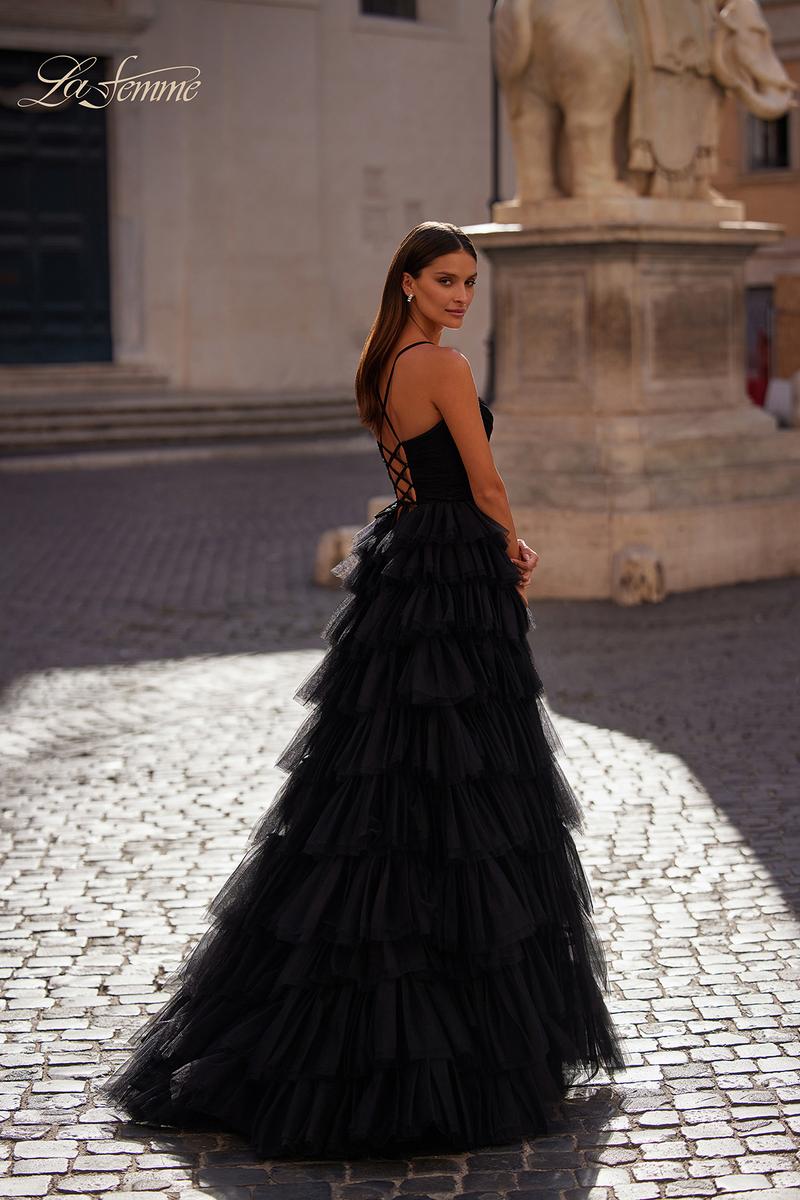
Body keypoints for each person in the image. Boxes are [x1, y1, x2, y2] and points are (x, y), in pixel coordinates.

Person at [97, 220, 628, 1160]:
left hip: (405, 564)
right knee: (469, 779)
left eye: (470, 282)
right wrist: (512, 552)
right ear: (409, 283)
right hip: (454, 573)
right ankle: (457, 1027)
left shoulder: (380, 366)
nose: (462, 296)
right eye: (446, 280)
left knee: (381, 776)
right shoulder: (445, 367)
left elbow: (415, 476)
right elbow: (485, 483)